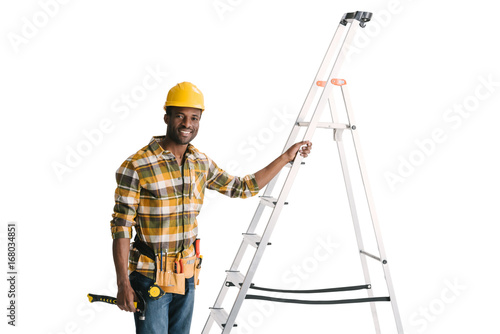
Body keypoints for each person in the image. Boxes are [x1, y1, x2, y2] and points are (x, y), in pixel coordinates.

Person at [110, 82, 312, 333]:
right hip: (150, 276)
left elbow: (242, 187)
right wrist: (122, 284)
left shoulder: (200, 162)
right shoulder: (137, 165)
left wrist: (286, 157)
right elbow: (121, 227)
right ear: (167, 117)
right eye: (180, 116)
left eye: (194, 117)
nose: (187, 124)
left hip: (187, 274)